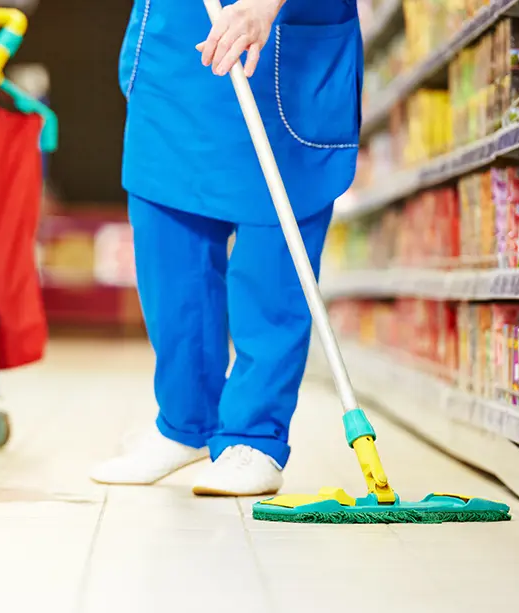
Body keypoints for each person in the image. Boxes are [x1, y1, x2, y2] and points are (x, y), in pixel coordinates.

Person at [90, 0, 363, 496]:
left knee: (272, 266)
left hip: (283, 51)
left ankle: (253, 437)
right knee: (169, 251)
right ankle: (184, 423)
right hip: (179, 52)